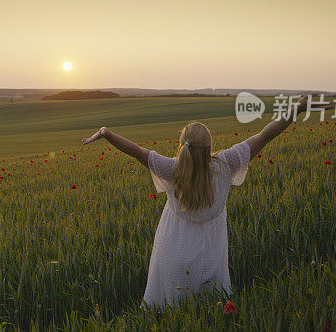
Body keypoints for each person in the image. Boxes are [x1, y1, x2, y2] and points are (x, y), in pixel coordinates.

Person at [81, 95, 320, 308]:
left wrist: (106, 133)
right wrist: (297, 109)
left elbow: (135, 150)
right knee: (209, 308)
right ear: (209, 146)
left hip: (173, 252)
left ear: (182, 146)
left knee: (172, 311)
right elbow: (265, 135)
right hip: (211, 255)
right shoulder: (226, 164)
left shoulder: (172, 168)